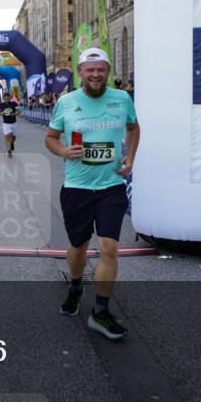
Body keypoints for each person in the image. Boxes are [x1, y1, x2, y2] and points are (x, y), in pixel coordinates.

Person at [45, 47, 139, 341]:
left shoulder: (122, 99)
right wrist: (63, 150)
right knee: (78, 247)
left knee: (110, 247)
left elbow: (134, 128)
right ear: (80, 72)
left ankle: (100, 312)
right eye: (90, 69)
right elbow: (50, 138)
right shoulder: (66, 102)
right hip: (77, 188)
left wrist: (131, 157)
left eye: (101, 69)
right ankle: (75, 285)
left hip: (110, 186)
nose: (96, 74)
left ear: (108, 71)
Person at [0, 91, 20, 157]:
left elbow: (19, 111)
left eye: (8, 98)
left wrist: (14, 114)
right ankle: (9, 151)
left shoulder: (14, 103)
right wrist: (2, 113)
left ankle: (12, 143)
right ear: (4, 98)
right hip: (6, 123)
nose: (7, 99)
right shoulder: (1, 105)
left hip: (13, 122)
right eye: (5, 98)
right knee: (7, 136)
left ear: (10, 98)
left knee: (13, 137)